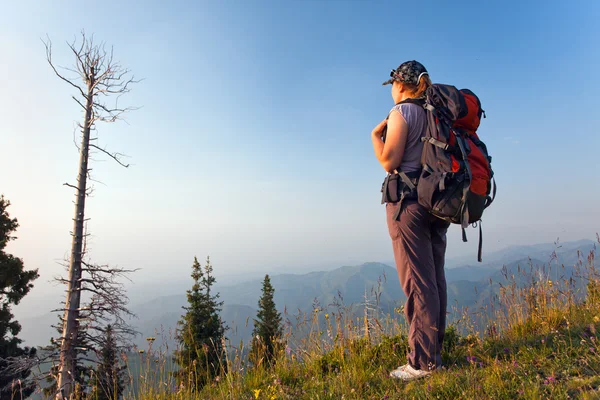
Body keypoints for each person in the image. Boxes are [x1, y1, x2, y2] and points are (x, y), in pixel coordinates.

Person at [371, 60, 451, 381]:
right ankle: (435, 353)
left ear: (400, 84)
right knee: (435, 278)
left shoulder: (402, 113)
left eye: (392, 84)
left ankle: (420, 363)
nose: (390, 90)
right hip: (436, 202)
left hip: (408, 203)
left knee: (418, 282)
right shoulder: (435, 114)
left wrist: (375, 137)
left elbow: (390, 160)